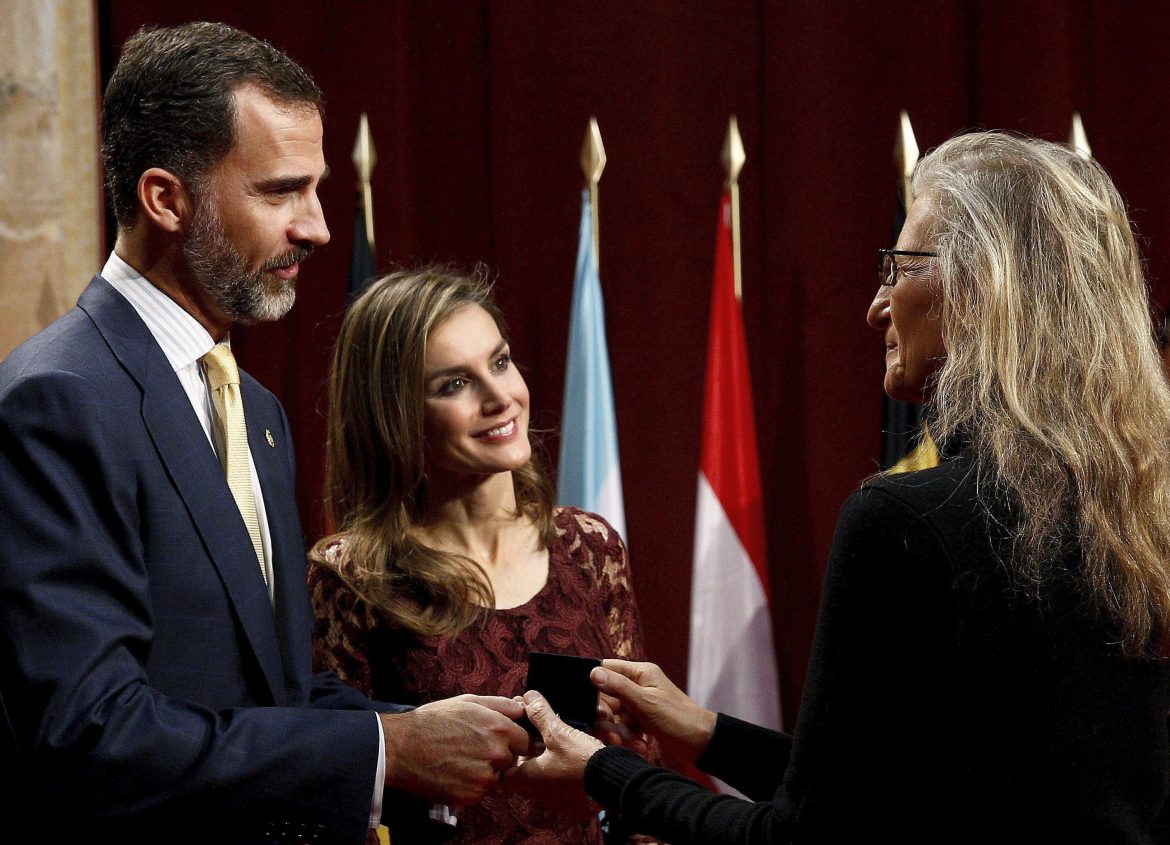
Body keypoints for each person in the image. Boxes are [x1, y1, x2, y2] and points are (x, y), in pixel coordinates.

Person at [503, 131, 1170, 843]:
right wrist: (708, 733)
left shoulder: (907, 522)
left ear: (983, 289)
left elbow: (810, 838)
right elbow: (910, 792)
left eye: (900, 266)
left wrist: (607, 773)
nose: (876, 307)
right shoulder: (1141, 513)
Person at [0, 22, 530, 845]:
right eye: (280, 191)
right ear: (165, 198)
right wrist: (385, 748)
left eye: (315, 190)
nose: (317, 228)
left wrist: (459, 735)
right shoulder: (58, 401)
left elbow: (270, 694)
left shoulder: (258, 411)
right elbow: (91, 734)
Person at [308, 266, 658, 844]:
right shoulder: (353, 576)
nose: (501, 397)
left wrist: (623, 749)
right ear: (395, 416)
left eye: (499, 362)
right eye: (454, 384)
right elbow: (338, 796)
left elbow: (643, 780)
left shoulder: (590, 547)